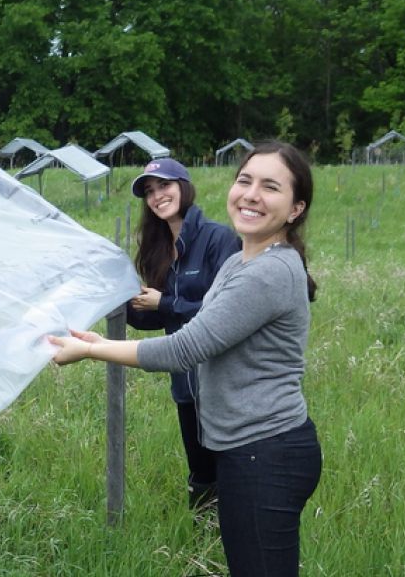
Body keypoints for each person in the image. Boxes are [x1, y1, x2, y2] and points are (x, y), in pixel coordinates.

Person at [49, 141, 322, 576]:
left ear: (295, 208)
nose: (251, 194)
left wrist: (92, 348)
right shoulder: (242, 263)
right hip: (246, 450)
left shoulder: (267, 272)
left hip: (266, 453)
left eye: (270, 187)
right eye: (245, 180)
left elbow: (185, 347)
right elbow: (177, 322)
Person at [125, 157, 240, 512]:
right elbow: (154, 319)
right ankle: (202, 546)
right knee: (201, 473)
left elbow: (226, 312)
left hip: (223, 383)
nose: (157, 196)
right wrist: (124, 303)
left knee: (233, 471)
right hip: (185, 384)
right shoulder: (158, 247)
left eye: (165, 186)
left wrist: (166, 302)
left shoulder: (218, 239)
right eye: (149, 191)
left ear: (184, 187)